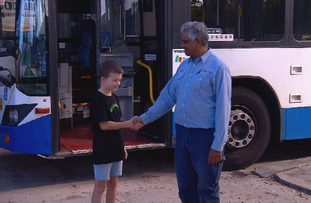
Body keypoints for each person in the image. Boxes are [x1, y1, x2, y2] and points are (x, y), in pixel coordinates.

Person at [135, 21, 232, 203]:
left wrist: (218, 145)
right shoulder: (185, 66)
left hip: (205, 138)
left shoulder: (219, 68)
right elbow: (167, 98)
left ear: (198, 41)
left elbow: (224, 109)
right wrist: (143, 119)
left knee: (207, 191)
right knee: (186, 188)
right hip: (182, 135)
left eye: (185, 42)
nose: (182, 45)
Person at [91, 60, 142, 203]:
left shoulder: (113, 97)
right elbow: (104, 125)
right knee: (100, 187)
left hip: (116, 149)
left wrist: (122, 146)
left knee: (113, 185)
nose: (118, 83)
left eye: (119, 80)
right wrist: (127, 124)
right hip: (103, 150)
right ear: (103, 79)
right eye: (115, 80)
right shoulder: (97, 99)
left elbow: (116, 123)